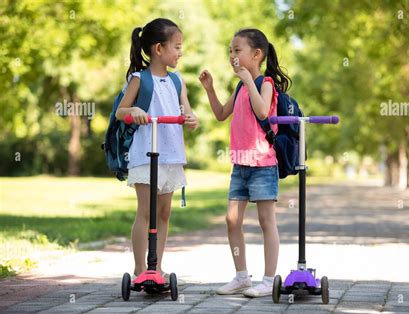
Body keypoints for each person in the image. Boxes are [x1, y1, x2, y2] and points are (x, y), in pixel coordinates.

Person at [199, 28, 291, 297]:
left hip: (263, 164)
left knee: (266, 221)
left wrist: (249, 80)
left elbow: (263, 110)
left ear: (256, 54)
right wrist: (210, 89)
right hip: (240, 165)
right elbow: (220, 114)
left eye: (237, 50)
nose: (232, 56)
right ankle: (241, 277)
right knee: (231, 220)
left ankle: (268, 279)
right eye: (230, 51)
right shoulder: (240, 85)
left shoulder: (265, 83)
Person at [116, 18, 198, 281]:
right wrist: (134, 111)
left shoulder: (177, 81)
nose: (180, 52)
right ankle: (141, 269)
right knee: (145, 211)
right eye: (177, 46)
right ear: (159, 49)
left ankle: (157, 267)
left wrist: (191, 118)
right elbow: (120, 112)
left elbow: (186, 110)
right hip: (145, 154)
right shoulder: (139, 79)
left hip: (171, 155)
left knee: (163, 213)